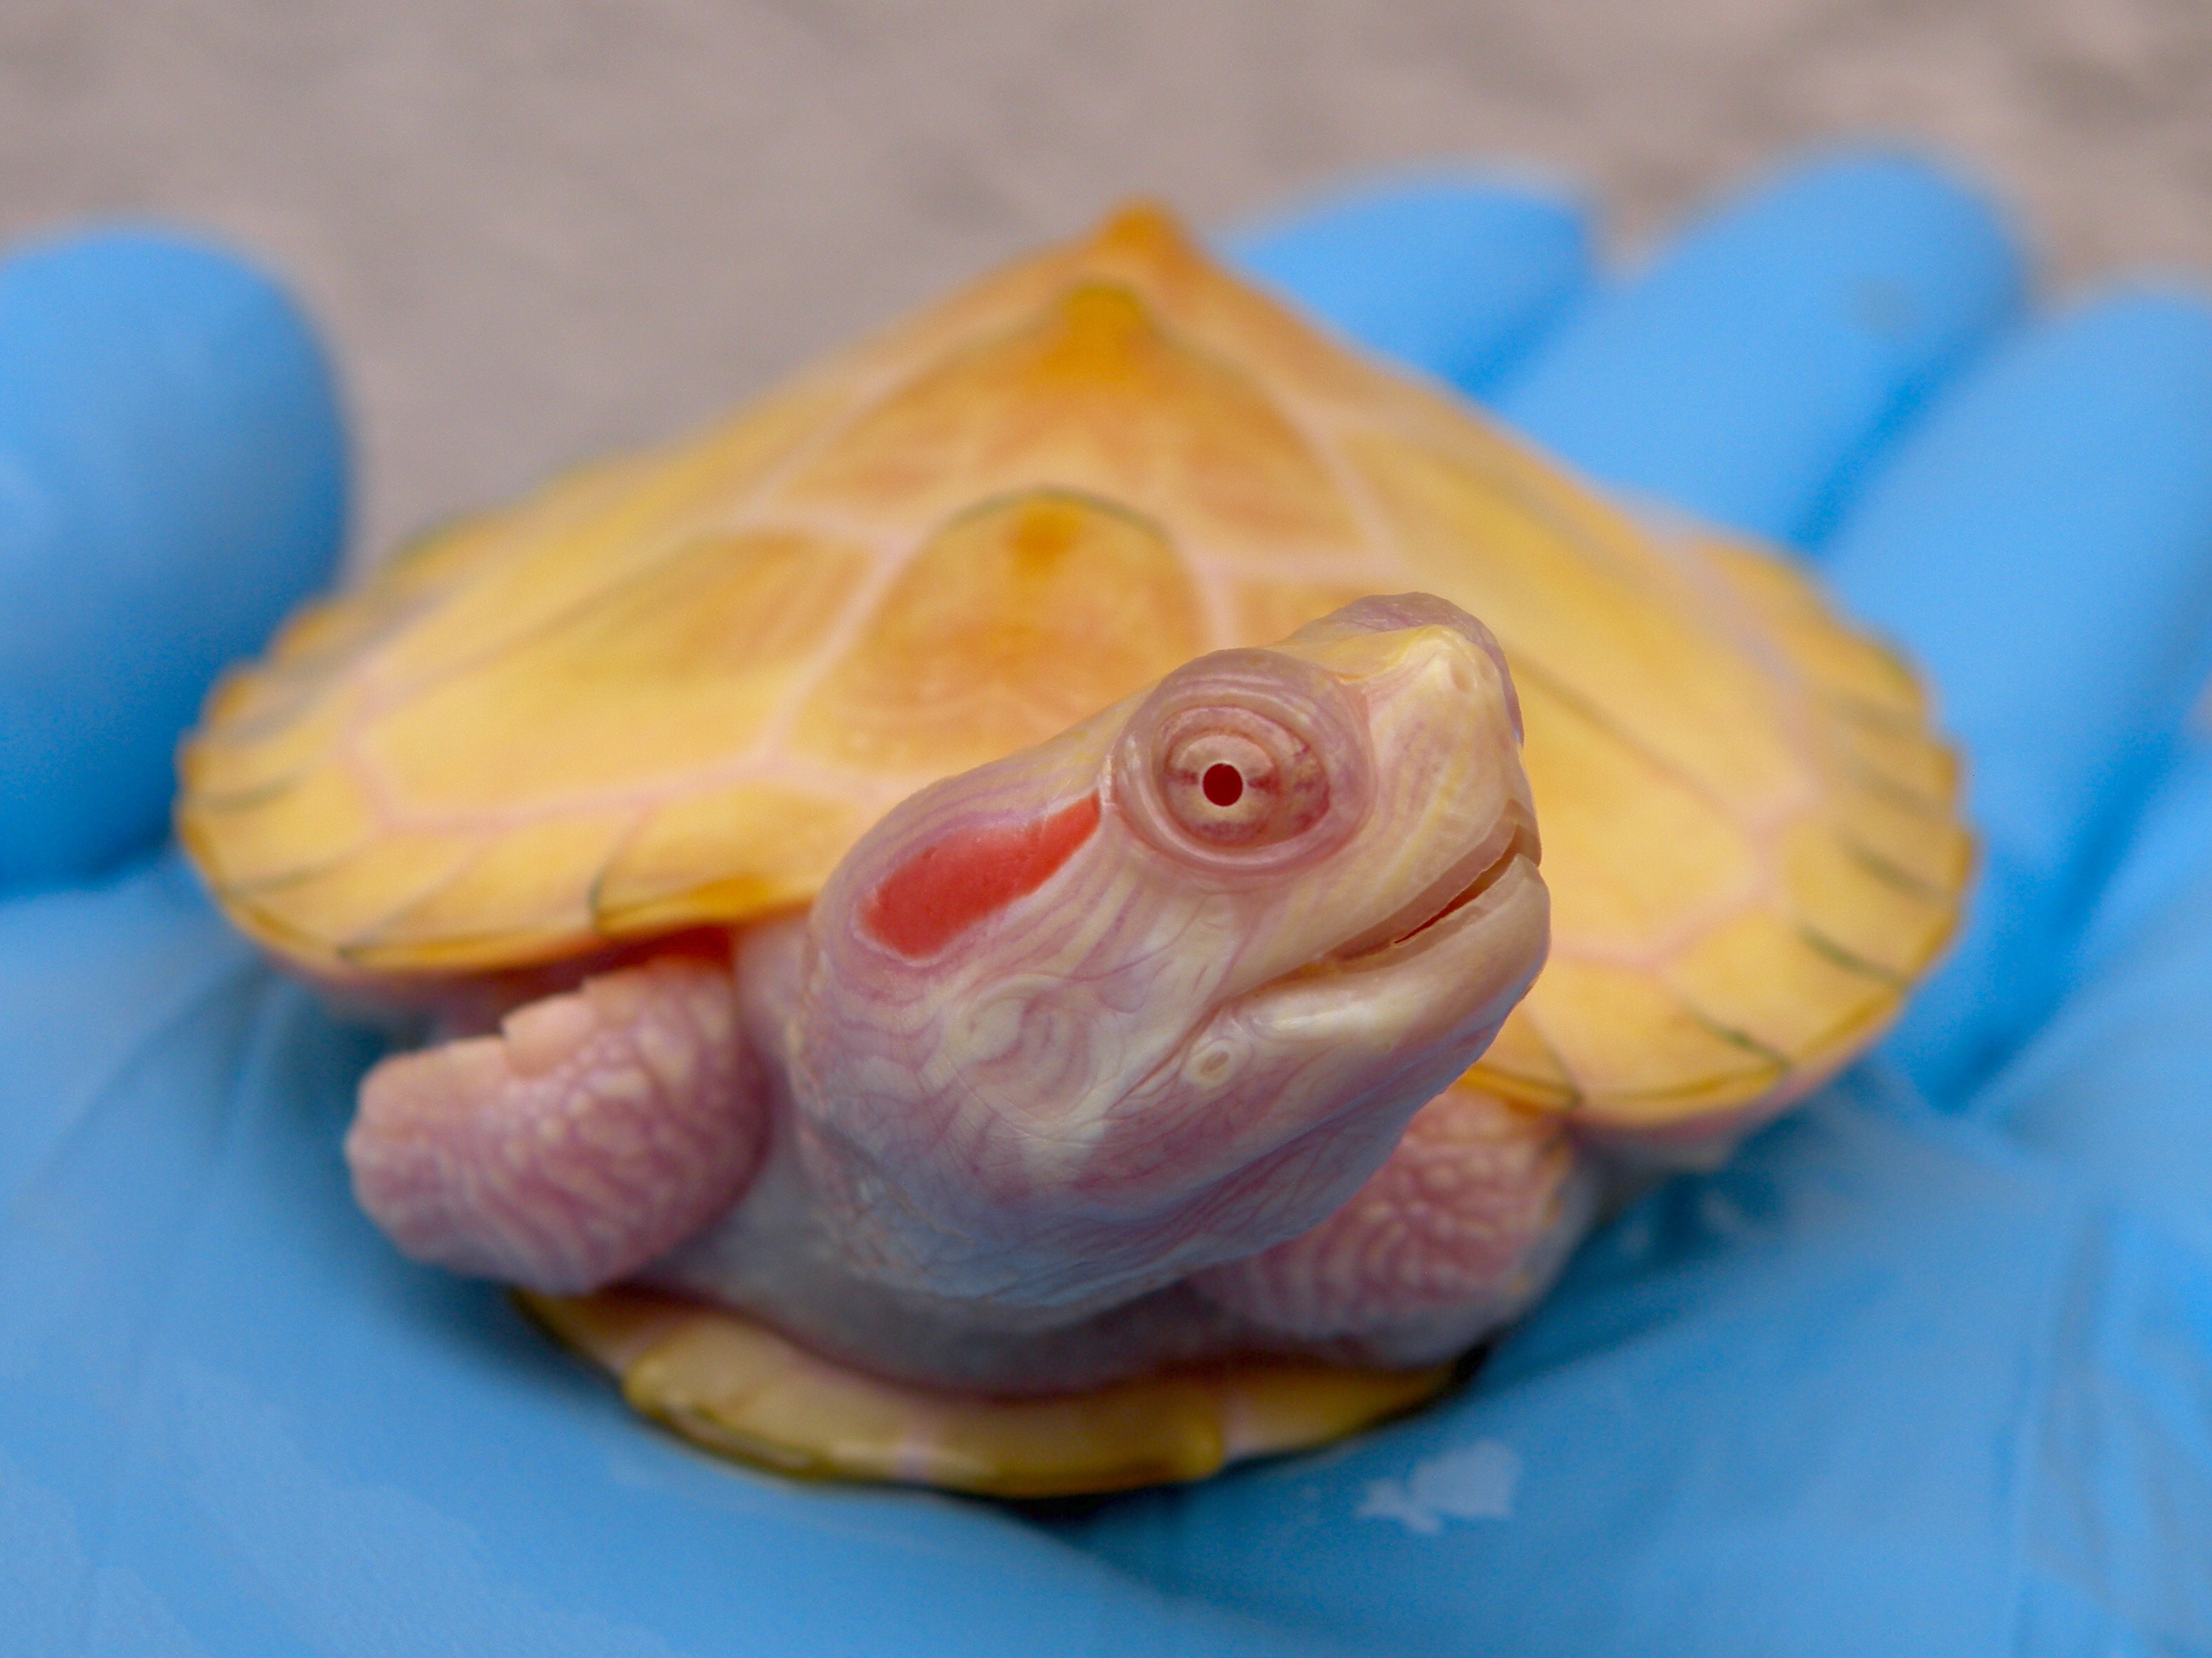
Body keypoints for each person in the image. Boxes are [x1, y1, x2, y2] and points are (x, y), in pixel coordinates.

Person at [4, 151, 2208, 1655]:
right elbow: (440, 1155)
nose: (1468, 762)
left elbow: (1468, 1181)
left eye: (1494, 744)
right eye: (1234, 790)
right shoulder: (668, 1073)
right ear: (895, 956)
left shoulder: (1375, 1168)